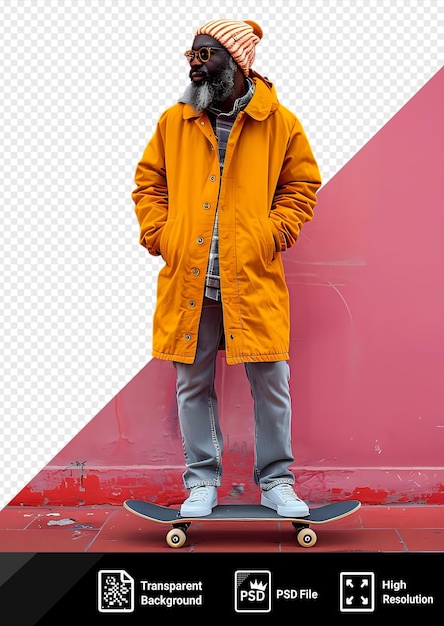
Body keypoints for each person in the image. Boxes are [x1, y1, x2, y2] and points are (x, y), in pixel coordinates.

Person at [132, 19, 321, 518]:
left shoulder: (279, 122)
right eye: (192, 54)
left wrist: (271, 233)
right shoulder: (175, 121)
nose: (194, 62)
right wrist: (161, 235)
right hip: (191, 278)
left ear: (237, 62)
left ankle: (277, 481)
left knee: (271, 382)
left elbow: (300, 187)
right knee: (192, 383)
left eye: (205, 53)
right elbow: (149, 185)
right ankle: (201, 481)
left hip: (250, 278)